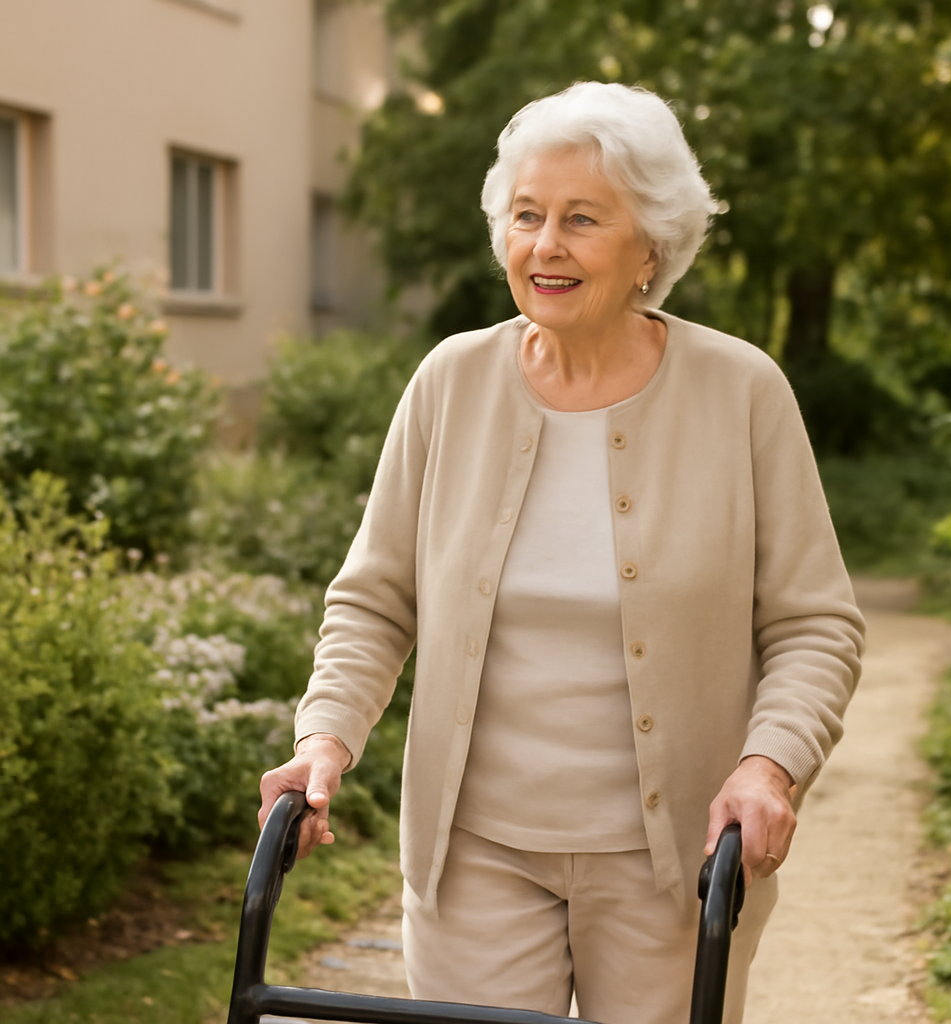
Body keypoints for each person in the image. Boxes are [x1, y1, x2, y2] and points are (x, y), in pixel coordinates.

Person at [258, 81, 865, 1024]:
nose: (546, 245)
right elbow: (375, 601)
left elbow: (814, 624)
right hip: (475, 857)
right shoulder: (449, 383)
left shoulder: (741, 392)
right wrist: (323, 739)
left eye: (582, 219)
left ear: (651, 246)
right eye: (527, 216)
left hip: (675, 864)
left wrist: (769, 763)